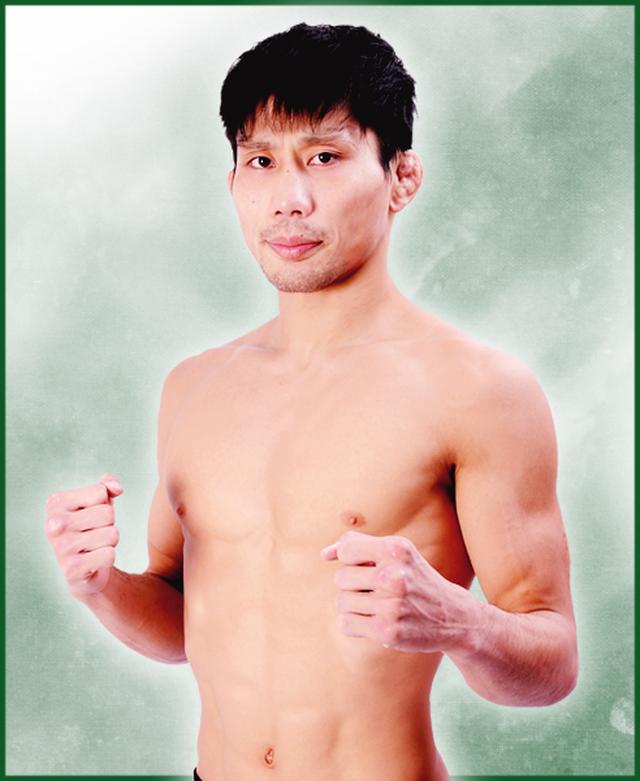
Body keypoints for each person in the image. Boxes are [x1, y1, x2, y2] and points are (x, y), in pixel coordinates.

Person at [44, 22, 578, 781]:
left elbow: (553, 664)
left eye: (324, 157)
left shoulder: (480, 391)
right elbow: (182, 622)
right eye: (261, 161)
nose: (288, 200)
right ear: (233, 182)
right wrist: (102, 587)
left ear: (402, 178)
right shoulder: (193, 386)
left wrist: (464, 624)